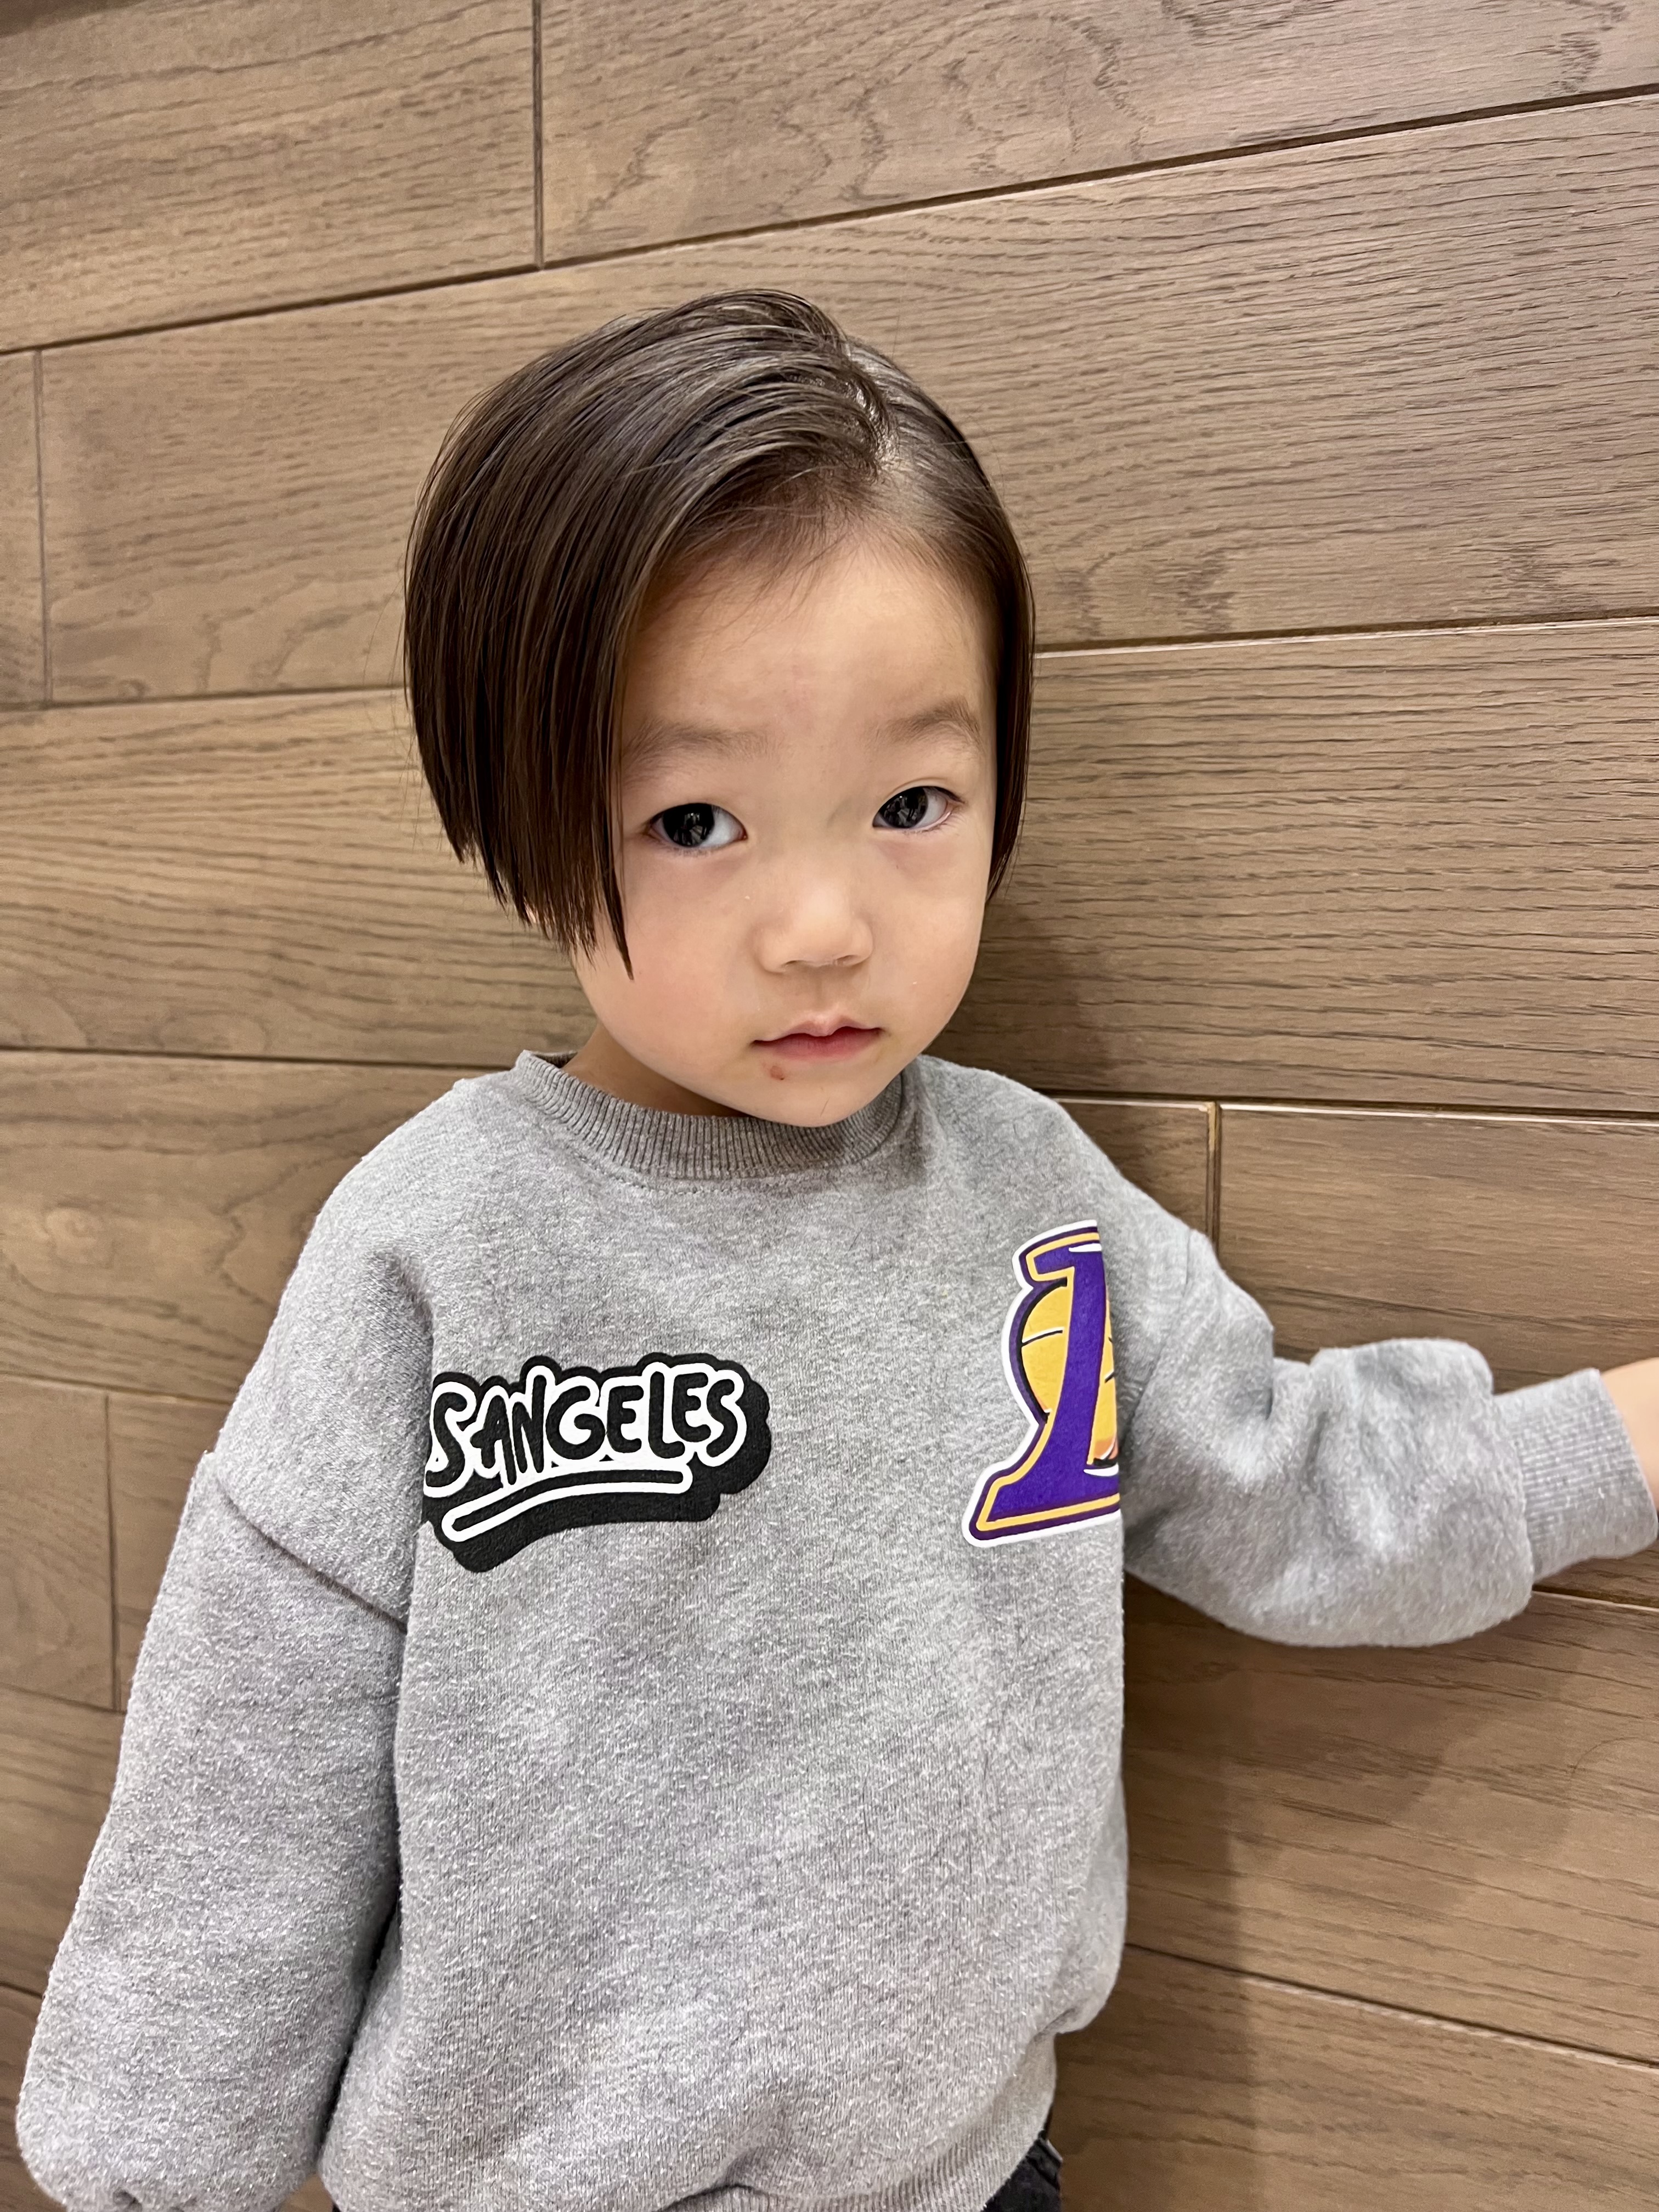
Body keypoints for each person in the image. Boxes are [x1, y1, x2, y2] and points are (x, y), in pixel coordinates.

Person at [18, 290, 1659, 2212]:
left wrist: (1610, 1444)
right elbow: (250, 1752)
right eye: (694, 818)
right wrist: (149, 2168)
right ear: (519, 811)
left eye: (909, 806)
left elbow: (1291, 1481)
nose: (822, 926)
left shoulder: (1034, 1200)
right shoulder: (437, 1242)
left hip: (972, 2173)